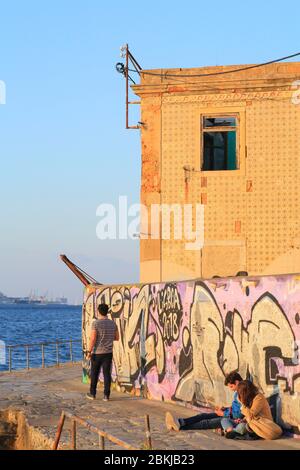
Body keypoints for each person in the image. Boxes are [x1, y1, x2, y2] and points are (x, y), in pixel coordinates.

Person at [165, 371, 244, 432]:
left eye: (231, 386)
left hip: (230, 419)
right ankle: (180, 422)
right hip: (228, 414)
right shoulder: (238, 392)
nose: (231, 389)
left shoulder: (243, 393)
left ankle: (180, 426)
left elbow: (240, 414)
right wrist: (226, 409)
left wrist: (223, 413)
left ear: (237, 382)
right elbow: (236, 408)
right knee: (202, 416)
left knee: (206, 423)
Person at [85, 303, 119, 401]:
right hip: (108, 353)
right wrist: (107, 337)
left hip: (97, 353)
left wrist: (88, 351)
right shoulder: (113, 323)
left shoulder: (96, 323)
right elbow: (117, 338)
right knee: (107, 374)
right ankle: (106, 396)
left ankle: (92, 394)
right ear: (107, 311)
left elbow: (93, 339)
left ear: (98, 311)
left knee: (94, 373)